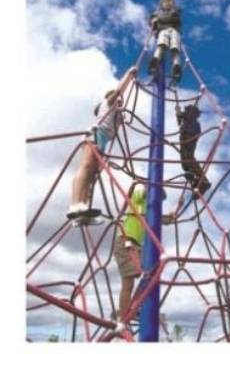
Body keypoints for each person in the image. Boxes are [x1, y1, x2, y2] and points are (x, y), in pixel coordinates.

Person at [113, 182, 174, 321]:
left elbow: (160, 218)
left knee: (151, 271)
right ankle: (124, 317)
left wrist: (169, 217)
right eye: (158, 199)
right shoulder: (139, 193)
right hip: (125, 240)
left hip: (136, 245)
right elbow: (142, 190)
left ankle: (133, 308)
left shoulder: (148, 210)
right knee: (130, 282)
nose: (158, 202)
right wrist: (154, 185)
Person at [67, 87, 124, 221]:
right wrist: (130, 74)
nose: (120, 103)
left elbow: (115, 131)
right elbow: (119, 91)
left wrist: (120, 120)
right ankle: (75, 204)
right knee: (86, 166)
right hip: (95, 135)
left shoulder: (116, 116)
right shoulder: (108, 104)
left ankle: (82, 210)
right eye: (118, 100)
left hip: (103, 141)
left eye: (121, 102)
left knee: (92, 177)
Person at [176, 104, 211, 198]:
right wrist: (178, 111)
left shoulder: (194, 122)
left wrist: (179, 113)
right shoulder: (187, 118)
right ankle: (195, 179)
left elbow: (182, 119)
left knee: (188, 158)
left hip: (189, 138)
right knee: (184, 162)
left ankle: (203, 180)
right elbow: (179, 120)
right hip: (185, 138)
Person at [149, 0, 183, 83]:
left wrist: (161, 19)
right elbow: (153, 21)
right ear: (162, 3)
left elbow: (175, 20)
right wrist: (154, 21)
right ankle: (155, 60)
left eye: (170, 1)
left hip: (173, 31)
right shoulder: (157, 13)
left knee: (175, 47)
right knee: (161, 44)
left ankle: (176, 65)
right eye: (165, 1)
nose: (168, 3)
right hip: (163, 31)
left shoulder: (174, 12)